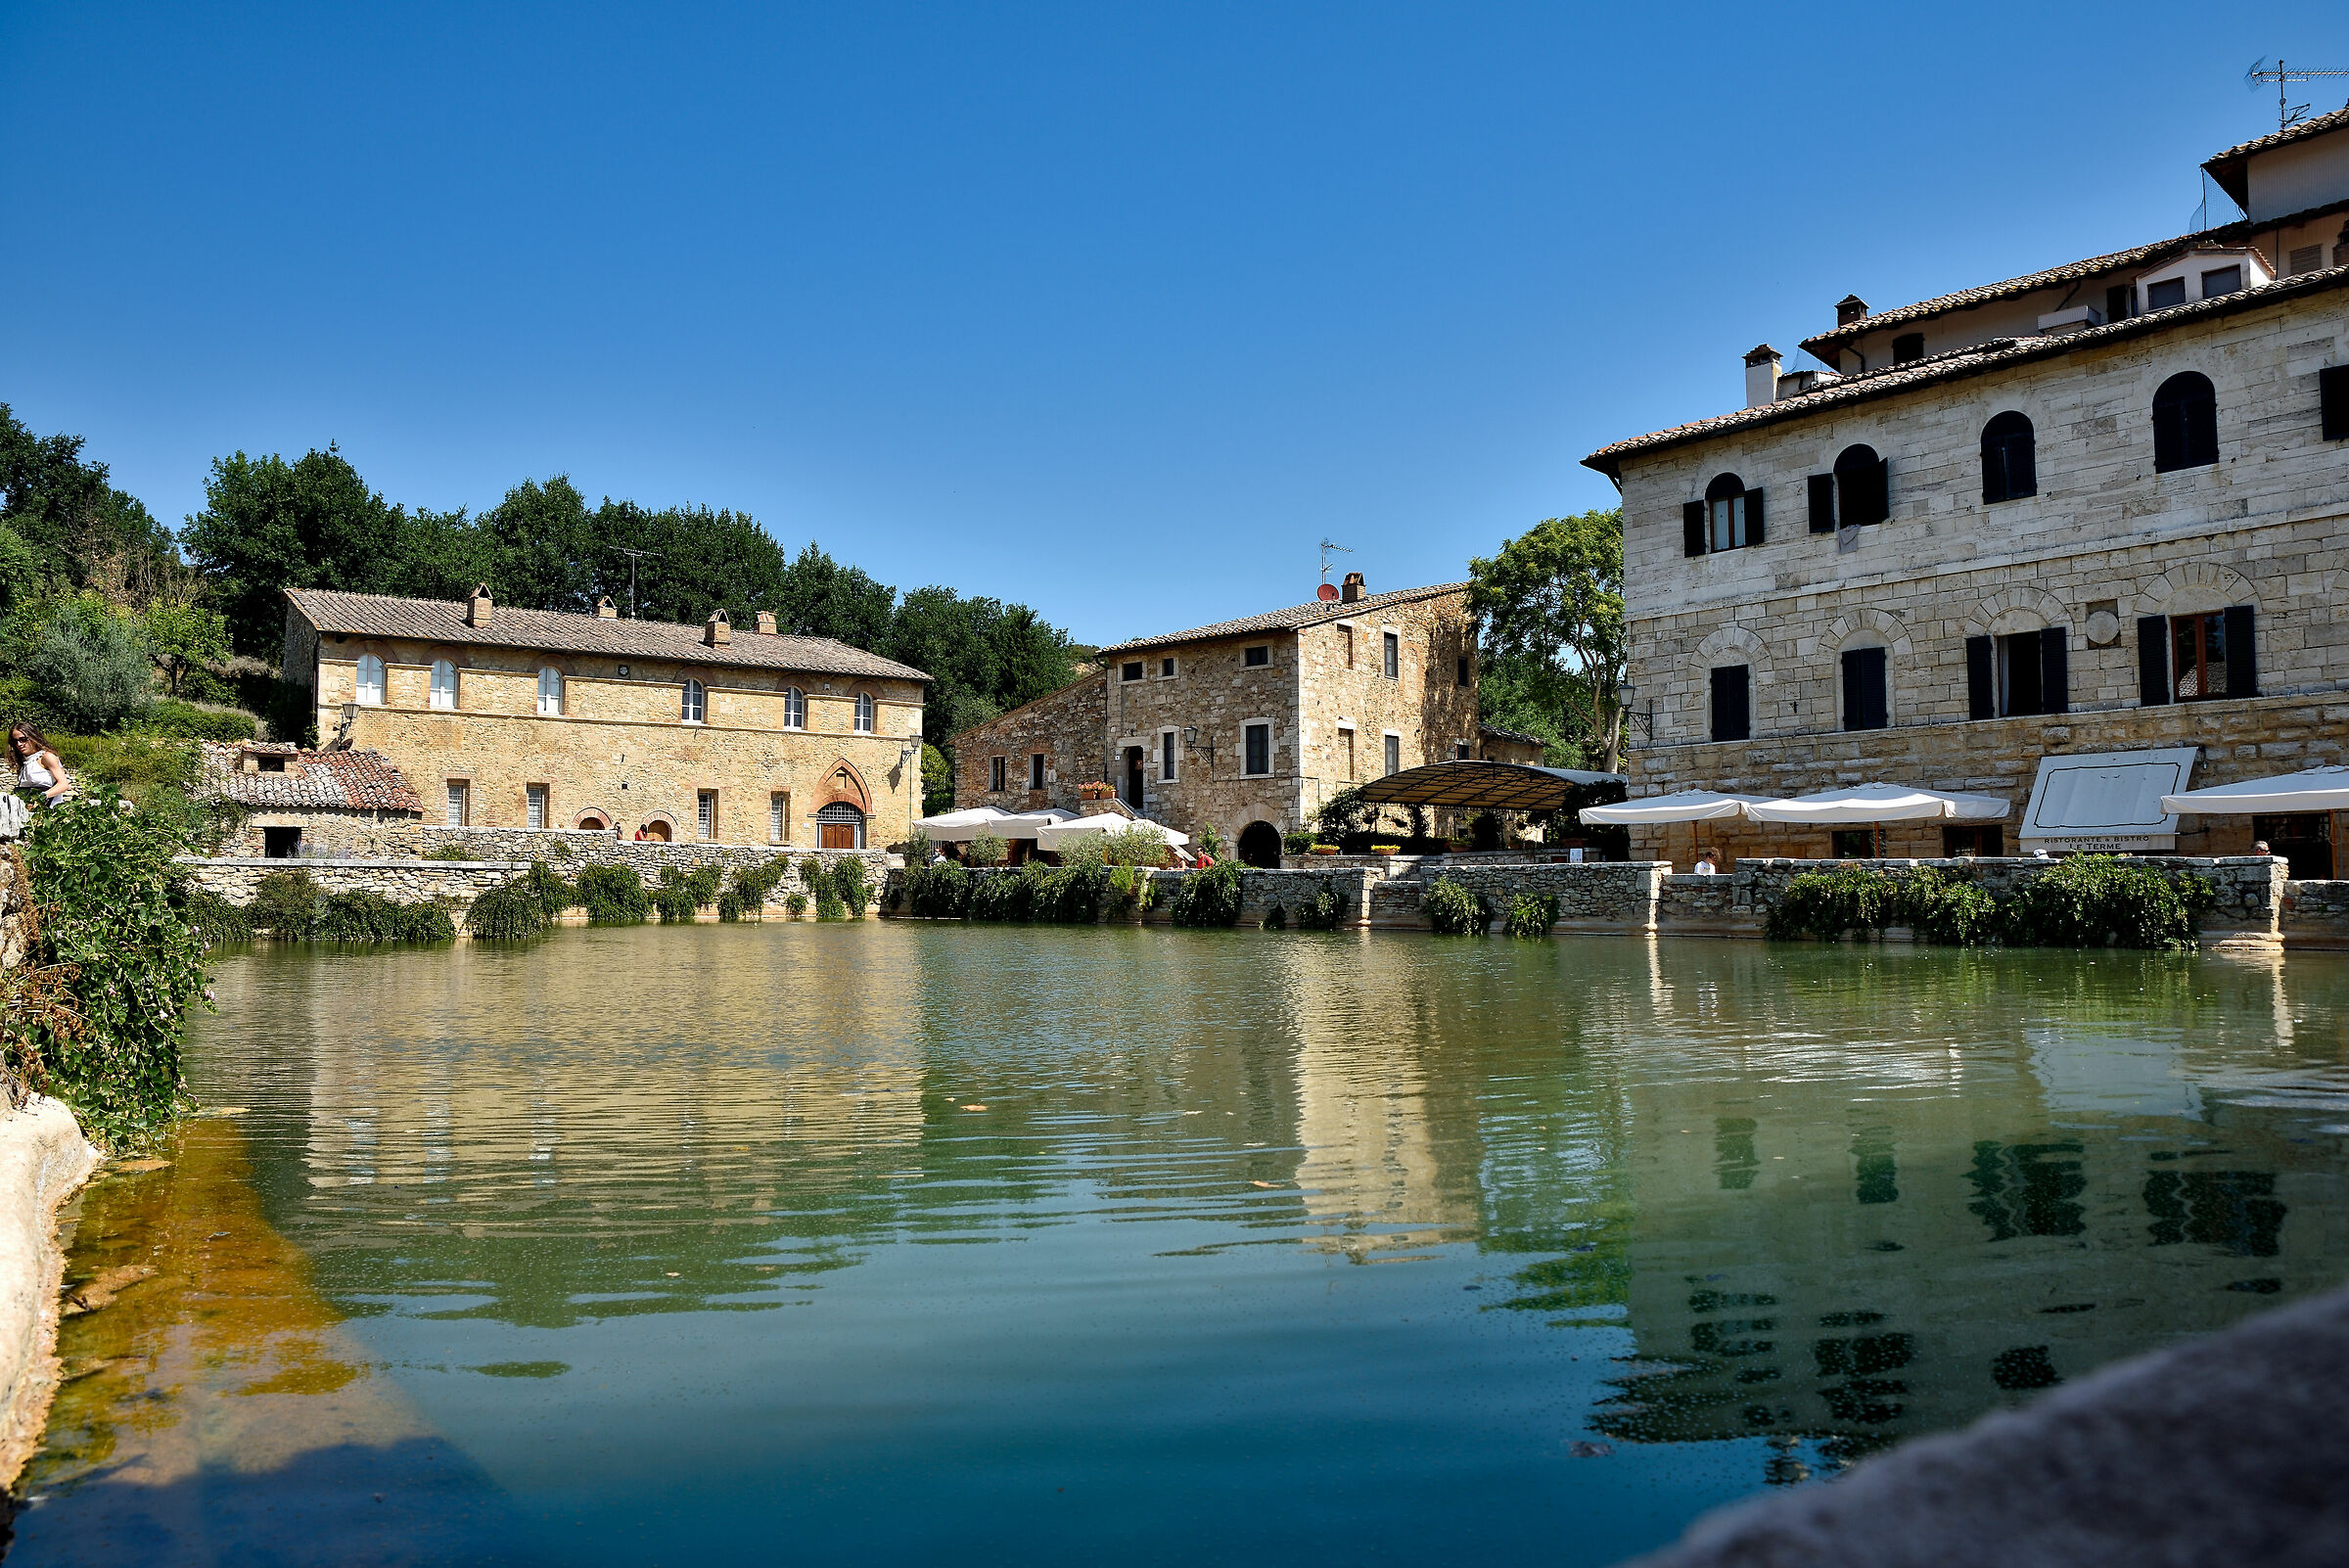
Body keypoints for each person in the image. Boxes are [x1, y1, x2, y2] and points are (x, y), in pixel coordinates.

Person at [10, 724, 69, 806]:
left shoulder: (47, 757)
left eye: (23, 739)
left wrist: (41, 797)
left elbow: (63, 784)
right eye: (15, 741)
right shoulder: (24, 762)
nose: (19, 744)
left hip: (49, 808)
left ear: (33, 737)